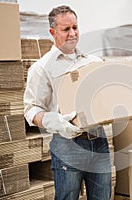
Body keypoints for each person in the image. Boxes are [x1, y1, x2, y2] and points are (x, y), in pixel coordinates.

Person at [23, 5, 112, 200]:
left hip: (99, 140)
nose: (72, 34)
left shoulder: (93, 62)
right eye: (66, 29)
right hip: (67, 145)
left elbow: (112, 92)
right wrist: (52, 121)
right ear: (52, 32)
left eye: (75, 27)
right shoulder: (41, 68)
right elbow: (30, 109)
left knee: (103, 197)